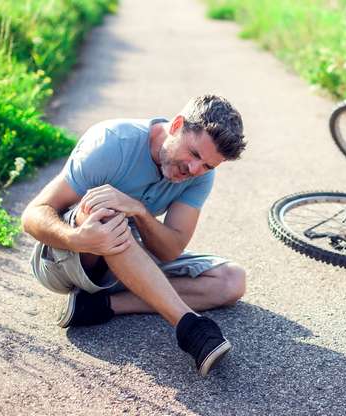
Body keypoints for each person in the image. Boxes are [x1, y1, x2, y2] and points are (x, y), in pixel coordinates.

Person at [21, 94, 247, 376]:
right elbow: (33, 214)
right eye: (194, 154)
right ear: (177, 125)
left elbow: (170, 249)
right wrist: (77, 238)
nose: (193, 170)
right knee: (107, 208)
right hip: (67, 258)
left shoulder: (200, 176)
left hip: (127, 263)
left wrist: (139, 211)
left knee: (232, 281)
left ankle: (100, 306)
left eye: (208, 166)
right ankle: (189, 326)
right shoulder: (112, 142)